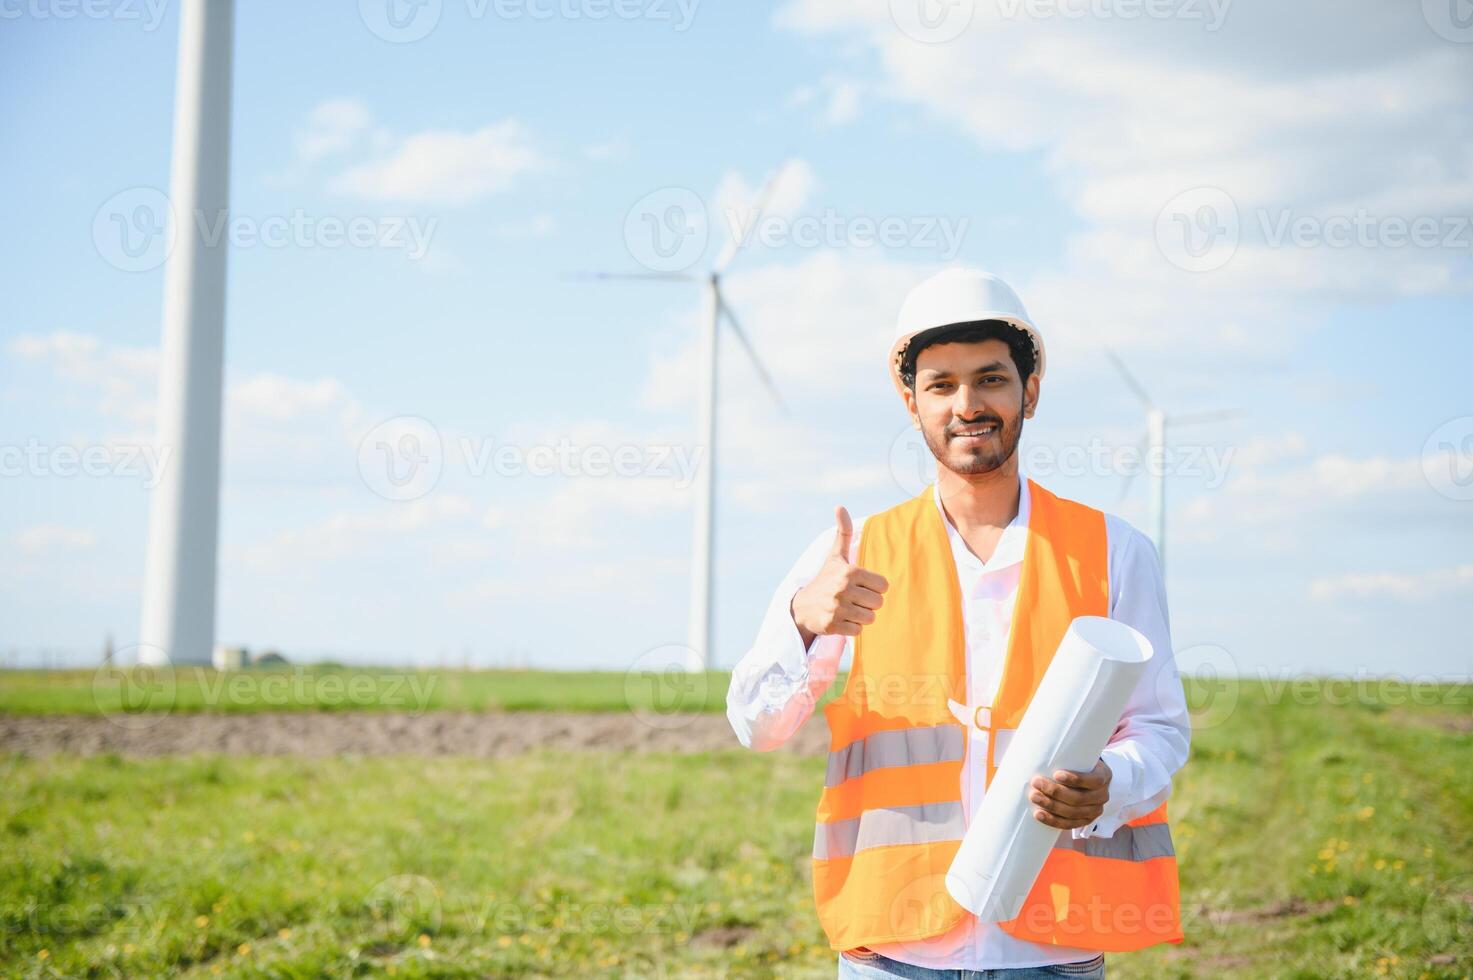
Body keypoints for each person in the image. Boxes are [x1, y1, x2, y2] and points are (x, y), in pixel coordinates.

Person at [726, 268, 1191, 979]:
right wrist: (801, 622)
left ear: (1029, 392)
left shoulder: (1115, 551)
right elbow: (757, 725)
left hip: (1053, 947)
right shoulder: (845, 558)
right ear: (909, 402)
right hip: (894, 950)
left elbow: (1158, 729)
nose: (967, 404)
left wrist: (1110, 781)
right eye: (940, 384)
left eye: (990, 380)